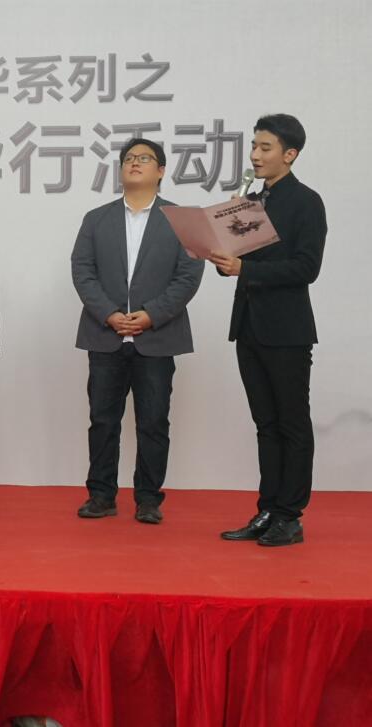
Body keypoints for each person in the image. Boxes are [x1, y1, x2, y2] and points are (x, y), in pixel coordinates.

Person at [70, 138, 203, 524]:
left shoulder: (185, 220)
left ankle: (148, 499)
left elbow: (188, 276)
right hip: (105, 336)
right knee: (103, 420)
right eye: (129, 158)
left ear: (161, 171)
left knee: (154, 421)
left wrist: (151, 315)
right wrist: (110, 314)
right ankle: (101, 496)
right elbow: (82, 270)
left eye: (144, 158)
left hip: (157, 338)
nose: (134, 163)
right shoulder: (96, 219)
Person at [211, 114, 326, 547]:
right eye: (254, 147)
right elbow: (243, 264)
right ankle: (268, 509)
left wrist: (245, 270)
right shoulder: (252, 201)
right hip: (249, 327)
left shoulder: (306, 201)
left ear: (289, 154)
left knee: (291, 423)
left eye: (265, 148)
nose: (255, 156)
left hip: (287, 331)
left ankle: (290, 516)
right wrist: (224, 253)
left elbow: (306, 268)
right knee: (265, 424)